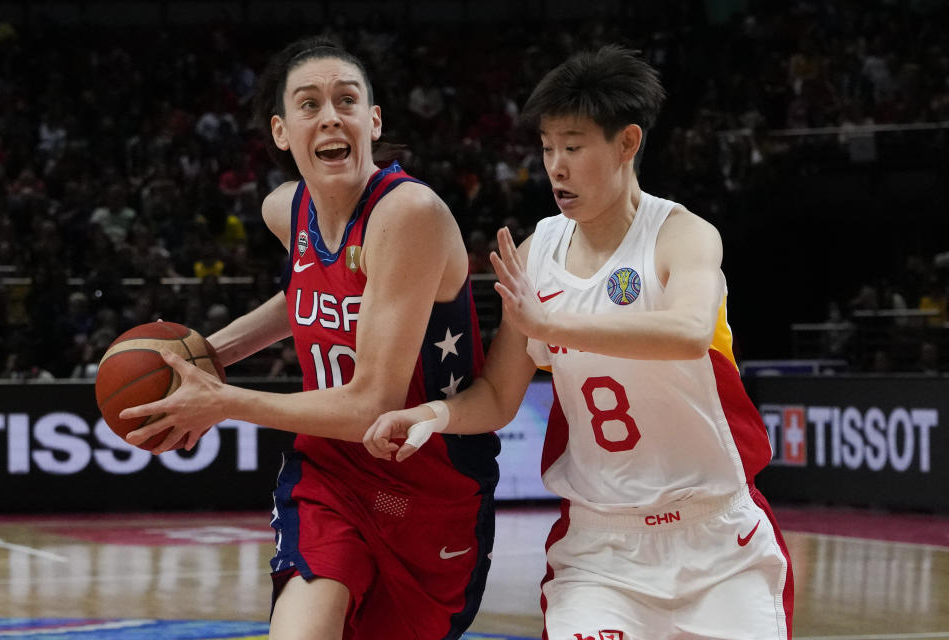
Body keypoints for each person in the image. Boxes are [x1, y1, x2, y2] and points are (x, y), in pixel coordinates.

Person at [365, 45, 794, 640]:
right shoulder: (539, 251)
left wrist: (552, 327)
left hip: (718, 540)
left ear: (627, 143)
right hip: (601, 548)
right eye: (547, 148)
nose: (556, 166)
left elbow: (690, 331)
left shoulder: (682, 236)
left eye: (573, 145)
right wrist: (434, 413)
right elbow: (497, 398)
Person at [120, 37, 499, 640]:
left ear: (372, 121)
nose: (330, 115)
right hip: (330, 472)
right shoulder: (284, 210)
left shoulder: (408, 215)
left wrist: (224, 401)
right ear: (280, 130)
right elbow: (306, 295)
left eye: (347, 100)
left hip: (430, 487)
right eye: (309, 103)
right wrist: (209, 354)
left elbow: (372, 406)